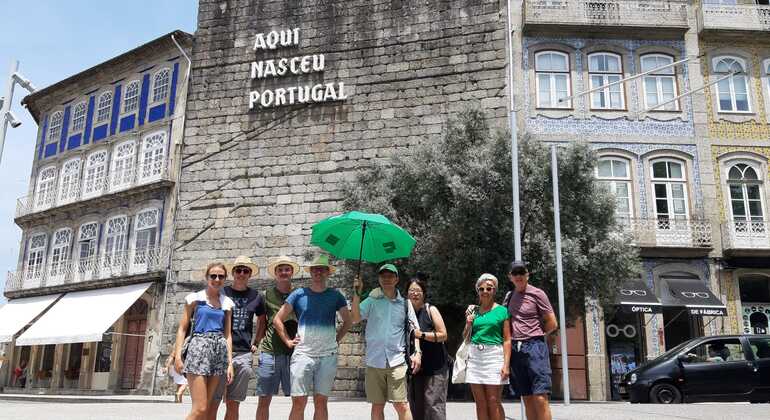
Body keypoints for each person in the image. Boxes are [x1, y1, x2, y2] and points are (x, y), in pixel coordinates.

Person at [274, 254, 352, 420]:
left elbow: (348, 321)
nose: (318, 272)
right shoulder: (298, 294)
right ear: (311, 272)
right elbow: (277, 319)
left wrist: (336, 339)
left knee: (321, 402)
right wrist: (288, 340)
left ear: (327, 273)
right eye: (315, 269)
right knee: (298, 402)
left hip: (327, 356)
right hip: (303, 354)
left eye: (322, 269)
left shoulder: (335, 296)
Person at [352, 264, 421, 420]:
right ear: (379, 279)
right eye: (383, 276)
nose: (387, 279)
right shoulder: (371, 300)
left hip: (397, 361)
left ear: (396, 279)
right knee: (377, 406)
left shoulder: (405, 304)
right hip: (374, 360)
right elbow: (354, 318)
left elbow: (414, 331)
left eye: (390, 276)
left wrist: (418, 353)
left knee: (401, 404)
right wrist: (357, 292)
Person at [174, 262, 236, 420]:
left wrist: (229, 363)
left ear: (225, 279)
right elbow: (182, 328)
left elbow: (228, 335)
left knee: (207, 408)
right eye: (213, 276)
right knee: (200, 408)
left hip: (219, 351)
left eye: (221, 276)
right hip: (199, 349)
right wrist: (177, 357)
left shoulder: (226, 303)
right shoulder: (195, 299)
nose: (217, 279)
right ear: (207, 277)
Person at [210, 256, 266, 420]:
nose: (242, 273)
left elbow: (263, 320)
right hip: (220, 351)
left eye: (245, 271)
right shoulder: (222, 293)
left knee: (234, 403)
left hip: (243, 353)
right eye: (238, 270)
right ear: (233, 273)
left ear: (250, 274)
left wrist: (256, 341)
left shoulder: (256, 296)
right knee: (213, 401)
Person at [506, 261, 557, 420]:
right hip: (516, 349)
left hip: (534, 346)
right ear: (510, 277)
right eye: (515, 273)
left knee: (540, 397)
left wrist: (536, 335)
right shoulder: (509, 296)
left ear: (527, 275)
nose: (519, 276)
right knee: (526, 397)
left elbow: (552, 322)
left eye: (522, 273)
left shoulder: (538, 293)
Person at [256, 255, 300, 420]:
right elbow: (261, 322)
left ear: (292, 272)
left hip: (294, 352)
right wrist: (256, 343)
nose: (283, 272)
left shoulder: (300, 295)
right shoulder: (266, 295)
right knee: (264, 399)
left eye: (286, 269)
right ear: (275, 273)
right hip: (270, 351)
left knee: (298, 400)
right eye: (280, 270)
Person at [463, 273, 510, 420]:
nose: (485, 291)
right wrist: (468, 323)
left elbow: (507, 340)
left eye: (489, 288)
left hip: (494, 356)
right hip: (475, 357)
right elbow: (465, 336)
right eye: (481, 288)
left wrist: (506, 365)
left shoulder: (502, 311)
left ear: (494, 290)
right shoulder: (473, 311)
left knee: (493, 401)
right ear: (478, 291)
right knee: (480, 403)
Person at [406, 274, 449, 420]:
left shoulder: (431, 310)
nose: (415, 293)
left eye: (418, 290)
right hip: (415, 369)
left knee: (433, 406)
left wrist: (421, 335)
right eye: (411, 290)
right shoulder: (406, 314)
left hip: (436, 368)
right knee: (416, 408)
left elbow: (443, 335)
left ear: (424, 293)